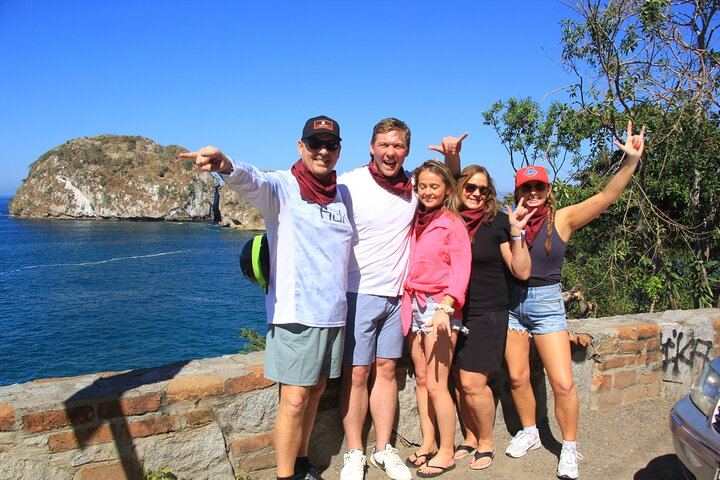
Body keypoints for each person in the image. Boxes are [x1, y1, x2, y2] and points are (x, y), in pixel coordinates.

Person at [179, 116, 353, 480]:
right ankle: (285, 475)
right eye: (315, 143)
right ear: (301, 146)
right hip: (295, 314)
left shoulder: (341, 194)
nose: (323, 150)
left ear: (338, 150)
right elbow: (252, 180)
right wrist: (225, 164)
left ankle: (303, 464)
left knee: (317, 391)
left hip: (333, 313)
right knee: (293, 401)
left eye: (331, 144)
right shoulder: (283, 188)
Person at [503, 121, 645, 480]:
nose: (533, 192)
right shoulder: (510, 223)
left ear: (548, 189)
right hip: (512, 306)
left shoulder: (562, 219)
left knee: (562, 382)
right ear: (518, 191)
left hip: (548, 304)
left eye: (539, 186)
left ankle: (568, 447)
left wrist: (629, 162)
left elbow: (605, 197)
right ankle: (531, 432)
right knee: (518, 378)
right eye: (526, 187)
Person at [337, 119, 464, 480]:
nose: (390, 152)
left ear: (406, 150)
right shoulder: (349, 183)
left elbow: (446, 186)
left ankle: (382, 449)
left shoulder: (412, 186)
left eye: (397, 146)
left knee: (388, 370)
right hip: (358, 291)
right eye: (383, 145)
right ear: (371, 147)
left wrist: (453, 158)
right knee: (358, 373)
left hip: (399, 297)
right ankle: (354, 452)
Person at [401, 160, 472, 478]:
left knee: (438, 384)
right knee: (422, 379)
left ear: (446, 189)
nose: (427, 191)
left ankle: (446, 451)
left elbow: (461, 268)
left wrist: (446, 306)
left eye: (434, 186)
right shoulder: (418, 220)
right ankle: (429, 442)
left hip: (438, 308)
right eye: (423, 186)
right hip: (414, 304)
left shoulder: (451, 222)